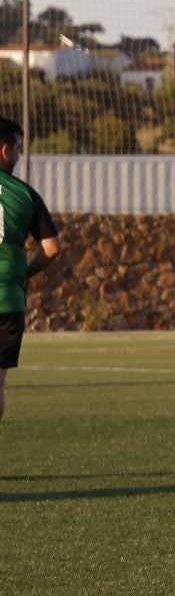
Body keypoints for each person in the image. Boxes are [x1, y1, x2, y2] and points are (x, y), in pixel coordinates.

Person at [0, 117, 63, 423]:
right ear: (4, 151)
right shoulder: (26, 195)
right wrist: (23, 272)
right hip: (7, 302)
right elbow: (52, 249)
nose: (19, 156)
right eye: (18, 150)